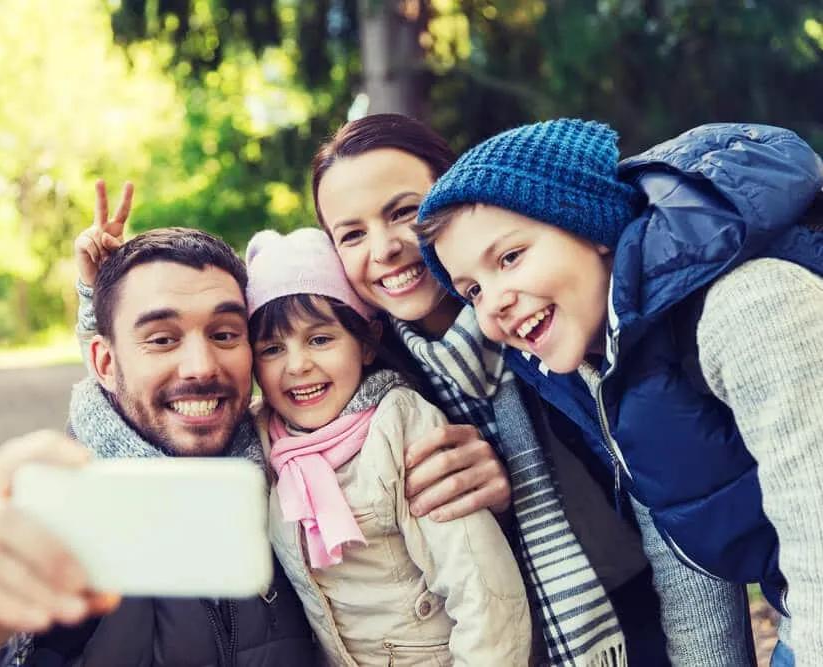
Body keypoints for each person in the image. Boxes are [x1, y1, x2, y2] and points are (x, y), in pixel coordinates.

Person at [0, 220, 508, 666]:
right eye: (162, 338)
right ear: (103, 362)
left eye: (225, 333)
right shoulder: (57, 520)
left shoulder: (295, 481)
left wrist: (494, 464)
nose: (201, 365)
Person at [310, 113, 759, 665]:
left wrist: (510, 477)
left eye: (403, 212)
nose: (383, 249)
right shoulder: (374, 379)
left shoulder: (562, 318)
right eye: (351, 234)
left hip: (639, 619)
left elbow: (669, 499)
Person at [414, 119, 823, 665]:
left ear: (591, 228)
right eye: (473, 290)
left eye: (510, 257)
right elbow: (681, 547)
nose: (493, 307)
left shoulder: (746, 307)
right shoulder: (605, 364)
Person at [244, 227, 530, 665]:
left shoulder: (399, 424)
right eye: (272, 348)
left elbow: (482, 589)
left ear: (364, 343)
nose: (297, 365)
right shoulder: (264, 439)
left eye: (320, 339)